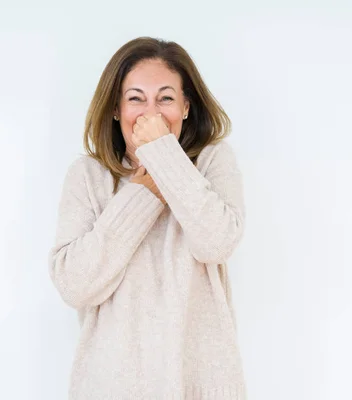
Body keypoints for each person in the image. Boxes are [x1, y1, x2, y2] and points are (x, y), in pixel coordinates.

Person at [48, 36, 247, 399]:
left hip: (199, 383)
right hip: (112, 385)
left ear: (187, 107)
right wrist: (143, 191)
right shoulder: (88, 176)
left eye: (166, 98)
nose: (151, 113)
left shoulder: (212, 162)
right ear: (115, 108)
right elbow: (74, 285)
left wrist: (165, 161)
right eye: (136, 98)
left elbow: (217, 243)